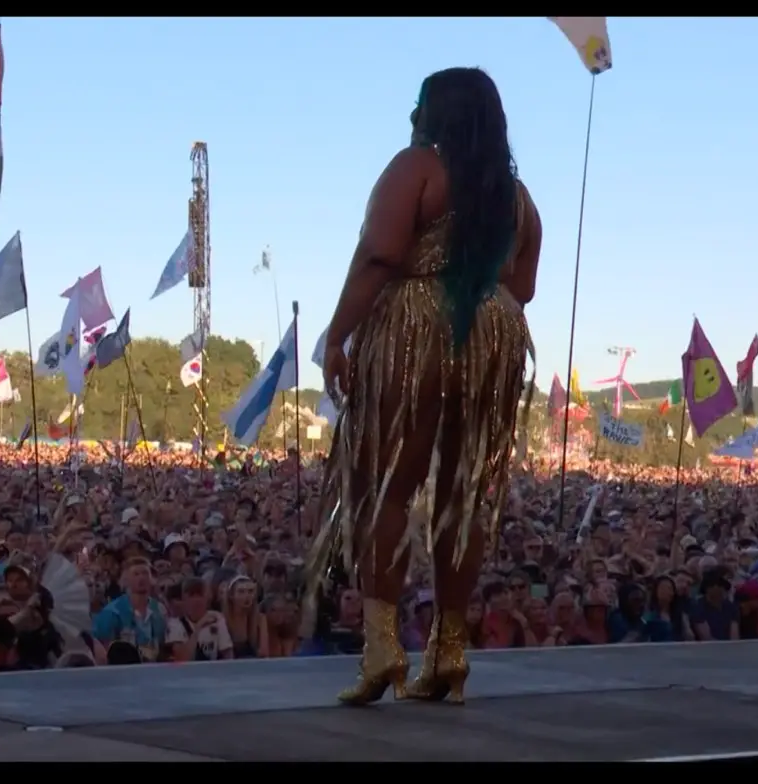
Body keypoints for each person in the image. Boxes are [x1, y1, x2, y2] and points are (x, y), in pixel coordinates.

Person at [308, 67, 541, 706]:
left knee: (385, 483)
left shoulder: (418, 167)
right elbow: (521, 288)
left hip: (416, 322)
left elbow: (380, 252)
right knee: (462, 494)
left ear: (432, 113)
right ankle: (449, 650)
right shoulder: (516, 198)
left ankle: (383, 644)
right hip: (494, 331)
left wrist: (337, 334)